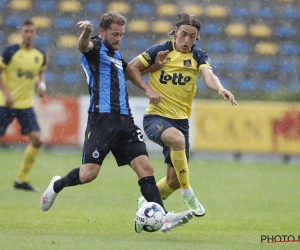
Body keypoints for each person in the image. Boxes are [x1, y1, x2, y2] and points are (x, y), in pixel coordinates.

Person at [40, 11, 194, 233]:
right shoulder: (94, 47)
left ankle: (163, 217)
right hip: (101, 120)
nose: (118, 39)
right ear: (102, 32)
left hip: (125, 121)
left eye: (121, 35)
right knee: (88, 174)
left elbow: (128, 75)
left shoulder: (115, 56)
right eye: (114, 34)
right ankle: (57, 184)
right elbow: (82, 46)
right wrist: (86, 32)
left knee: (146, 167)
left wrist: (154, 68)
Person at [126, 12, 238, 232]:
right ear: (175, 31)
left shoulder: (198, 55)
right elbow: (131, 68)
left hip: (181, 122)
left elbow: (208, 77)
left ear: (197, 38)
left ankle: (146, 205)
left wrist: (220, 88)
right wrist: (148, 89)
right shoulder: (159, 50)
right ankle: (189, 193)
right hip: (156, 118)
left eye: (192, 36)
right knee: (177, 141)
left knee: (173, 181)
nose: (187, 40)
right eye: (184, 34)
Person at [0, 19, 47, 192]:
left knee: (38, 140)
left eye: (31, 31)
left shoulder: (40, 54)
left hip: (25, 105)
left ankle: (20, 180)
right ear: (21, 33)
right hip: (5, 103)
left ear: (35, 34)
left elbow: (40, 72)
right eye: (25, 31)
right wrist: (6, 93)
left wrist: (42, 85)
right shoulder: (10, 51)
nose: (28, 34)